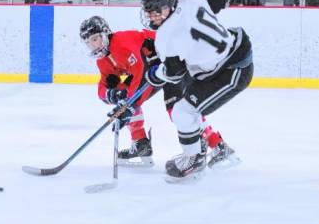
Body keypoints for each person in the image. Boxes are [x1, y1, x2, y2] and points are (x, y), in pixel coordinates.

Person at [79, 15, 231, 168]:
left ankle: (218, 145)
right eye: (88, 42)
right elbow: (104, 86)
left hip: (174, 63)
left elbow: (140, 73)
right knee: (125, 95)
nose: (92, 45)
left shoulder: (122, 42)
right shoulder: (103, 59)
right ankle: (141, 144)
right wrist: (111, 95)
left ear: (105, 34)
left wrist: (128, 107)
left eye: (94, 39)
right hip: (155, 71)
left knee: (179, 111)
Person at [140, 0, 252, 181]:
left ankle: (194, 159)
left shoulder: (165, 36)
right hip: (233, 49)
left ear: (170, 5)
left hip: (232, 70)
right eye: (150, 11)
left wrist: (154, 74)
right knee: (185, 108)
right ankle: (213, 147)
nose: (154, 15)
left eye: (159, 10)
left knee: (183, 112)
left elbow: (174, 74)